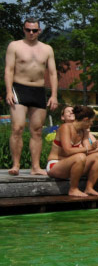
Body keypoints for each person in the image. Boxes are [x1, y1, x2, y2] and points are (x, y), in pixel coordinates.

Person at [5, 18, 58, 175]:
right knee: (17, 127)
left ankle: (35, 167)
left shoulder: (47, 49)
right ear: (24, 29)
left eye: (34, 30)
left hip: (38, 90)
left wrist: (54, 95)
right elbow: (8, 69)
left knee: (36, 130)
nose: (31, 33)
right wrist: (9, 91)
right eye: (28, 30)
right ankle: (16, 165)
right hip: (19, 88)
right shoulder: (15, 46)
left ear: (39, 31)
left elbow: (53, 73)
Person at [46, 105, 98, 197]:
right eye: (91, 121)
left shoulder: (83, 131)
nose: (91, 124)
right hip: (56, 165)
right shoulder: (65, 127)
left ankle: (89, 188)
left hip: (73, 164)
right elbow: (68, 151)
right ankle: (73, 189)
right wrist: (90, 147)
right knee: (80, 156)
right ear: (85, 119)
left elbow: (88, 151)